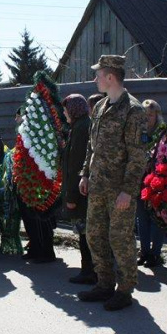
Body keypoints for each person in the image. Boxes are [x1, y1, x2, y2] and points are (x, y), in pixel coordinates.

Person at [78, 55, 149, 310]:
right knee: (95, 237)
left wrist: (128, 191)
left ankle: (125, 289)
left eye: (98, 74)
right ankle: (104, 283)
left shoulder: (133, 110)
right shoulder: (100, 107)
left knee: (120, 239)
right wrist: (85, 174)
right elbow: (91, 145)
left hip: (119, 190)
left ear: (110, 77)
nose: (95, 78)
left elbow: (138, 155)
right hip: (97, 185)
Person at [62, 94, 95, 283]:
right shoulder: (79, 126)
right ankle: (89, 269)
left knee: (84, 233)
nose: (64, 114)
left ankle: (89, 271)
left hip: (80, 192)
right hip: (81, 189)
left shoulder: (81, 128)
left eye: (66, 110)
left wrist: (71, 196)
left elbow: (76, 164)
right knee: (84, 232)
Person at [136, 99, 166, 268]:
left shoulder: (163, 133)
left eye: (151, 114)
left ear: (157, 115)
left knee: (156, 218)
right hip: (140, 179)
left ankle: (156, 253)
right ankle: (144, 251)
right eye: (145, 114)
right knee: (141, 217)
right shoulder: (137, 131)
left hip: (157, 181)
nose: (148, 118)